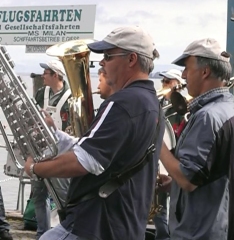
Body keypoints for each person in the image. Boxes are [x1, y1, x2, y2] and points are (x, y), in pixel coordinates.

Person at [24, 25, 165, 240]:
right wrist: (55, 135)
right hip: (123, 225)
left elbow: (85, 161)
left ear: (131, 59)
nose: (101, 63)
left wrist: (35, 168)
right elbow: (102, 152)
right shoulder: (151, 103)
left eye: (108, 56)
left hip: (94, 223)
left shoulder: (123, 102)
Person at [159, 38, 234, 239]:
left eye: (187, 68)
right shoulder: (231, 110)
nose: (184, 75)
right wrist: (173, 184)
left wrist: (156, 138)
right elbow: (215, 173)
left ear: (205, 72)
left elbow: (188, 180)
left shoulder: (207, 117)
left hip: (198, 232)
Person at [31, 59, 72, 240]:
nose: (42, 76)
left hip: (60, 153)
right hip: (41, 151)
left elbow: (73, 128)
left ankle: (67, 230)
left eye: (46, 73)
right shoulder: (41, 93)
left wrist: (53, 126)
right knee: (39, 194)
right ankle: (42, 233)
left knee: (62, 196)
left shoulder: (71, 97)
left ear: (56, 75)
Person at [153, 69, 186, 240]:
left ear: (178, 85)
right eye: (163, 81)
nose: (164, 84)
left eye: (168, 81)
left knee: (173, 210)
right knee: (159, 211)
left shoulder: (182, 109)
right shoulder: (159, 106)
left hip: (175, 166)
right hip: (159, 167)